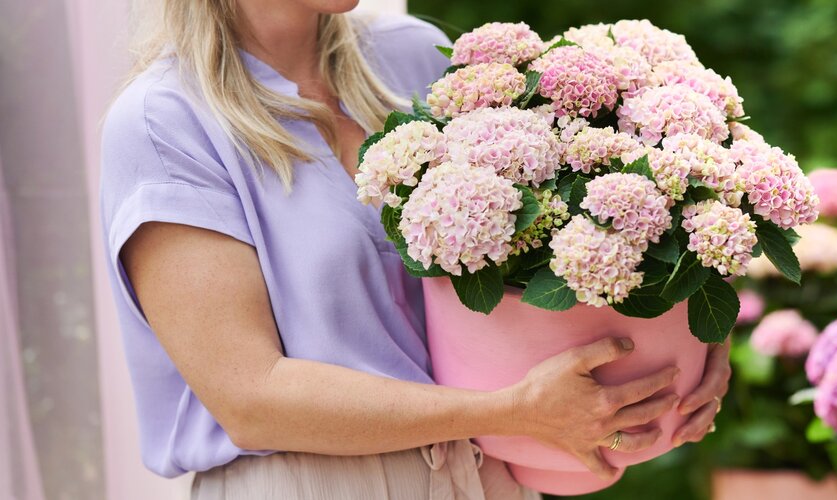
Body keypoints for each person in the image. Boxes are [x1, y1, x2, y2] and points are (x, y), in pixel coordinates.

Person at [99, 1, 731, 498]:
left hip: (490, 475)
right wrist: (513, 411)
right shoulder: (164, 122)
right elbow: (250, 399)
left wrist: (699, 334)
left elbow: (568, 230)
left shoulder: (410, 56)